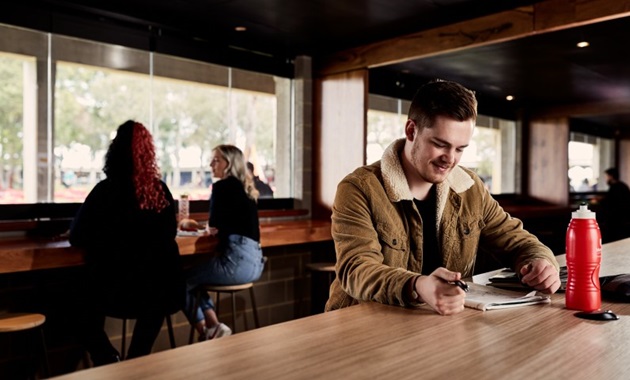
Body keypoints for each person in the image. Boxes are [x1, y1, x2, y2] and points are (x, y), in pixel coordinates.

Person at [325, 79, 561, 316]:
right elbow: (356, 270)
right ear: (411, 131)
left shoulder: (470, 188)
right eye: (440, 144)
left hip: (438, 326)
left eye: (460, 149)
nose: (450, 159)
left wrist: (541, 264)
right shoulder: (358, 188)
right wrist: (417, 286)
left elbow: (519, 241)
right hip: (361, 325)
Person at [69, 120, 184, 365]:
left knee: (76, 308)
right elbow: (169, 234)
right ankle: (137, 360)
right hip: (154, 294)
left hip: (112, 291)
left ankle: (107, 356)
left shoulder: (104, 191)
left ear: (114, 150)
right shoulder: (159, 191)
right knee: (156, 301)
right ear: (148, 154)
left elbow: (77, 236)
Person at [183, 145, 265, 341]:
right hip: (255, 265)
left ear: (229, 164)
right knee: (193, 280)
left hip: (235, 264)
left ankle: (207, 329)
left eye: (216, 160)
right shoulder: (247, 190)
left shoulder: (222, 187)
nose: (211, 164)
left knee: (178, 280)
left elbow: (214, 225)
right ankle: (214, 327)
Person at [598, 167, 630, 243]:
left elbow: (610, 203)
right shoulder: (623, 186)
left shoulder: (615, 188)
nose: (606, 179)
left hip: (616, 221)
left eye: (607, 176)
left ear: (611, 176)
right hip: (624, 220)